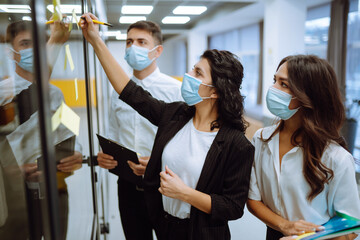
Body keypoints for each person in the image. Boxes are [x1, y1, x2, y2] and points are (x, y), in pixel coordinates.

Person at [80, 13, 254, 240]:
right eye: (192, 69)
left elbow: (232, 206)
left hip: (200, 233)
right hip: (166, 226)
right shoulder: (176, 115)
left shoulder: (236, 143)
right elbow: (129, 91)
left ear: (214, 91)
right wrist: (95, 41)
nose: (187, 76)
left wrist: (185, 194)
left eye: (197, 73)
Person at [247, 55, 360, 240]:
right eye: (274, 81)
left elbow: (351, 229)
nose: (273, 89)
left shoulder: (336, 157)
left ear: (308, 96)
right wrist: (285, 226)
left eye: (284, 85)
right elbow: (253, 199)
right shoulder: (261, 139)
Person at [96, 20, 182, 240]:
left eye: (142, 42)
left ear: (157, 50)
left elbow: (185, 143)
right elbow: (113, 134)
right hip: (127, 186)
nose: (133, 47)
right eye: (129, 42)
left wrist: (157, 163)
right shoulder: (117, 92)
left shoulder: (175, 91)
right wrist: (105, 157)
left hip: (164, 187)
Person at [0, 20, 82, 240]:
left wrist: (77, 154)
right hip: (14, 199)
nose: (35, 50)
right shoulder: (3, 94)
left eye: (40, 43)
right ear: (11, 53)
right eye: (26, 44)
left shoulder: (55, 94)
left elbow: (67, 131)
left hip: (53, 192)